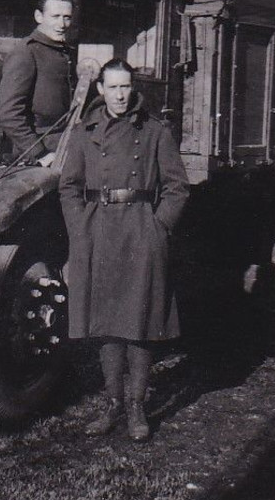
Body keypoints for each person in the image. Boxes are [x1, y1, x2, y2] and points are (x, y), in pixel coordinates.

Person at [59, 58, 189, 442]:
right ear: (100, 89)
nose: (120, 94)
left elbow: (177, 187)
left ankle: (137, 406)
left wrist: (158, 226)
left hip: (140, 231)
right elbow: (69, 187)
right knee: (106, 325)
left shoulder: (154, 131)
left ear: (133, 88)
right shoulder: (86, 132)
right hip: (98, 230)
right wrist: (80, 229)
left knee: (140, 324)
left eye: (125, 86)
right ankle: (113, 403)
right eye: (112, 87)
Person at [0, 0, 74, 168]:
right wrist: (39, 154)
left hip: (64, 147)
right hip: (40, 153)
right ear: (39, 16)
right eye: (55, 16)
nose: (62, 24)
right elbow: (7, 114)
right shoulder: (26, 51)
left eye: (67, 17)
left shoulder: (63, 51)